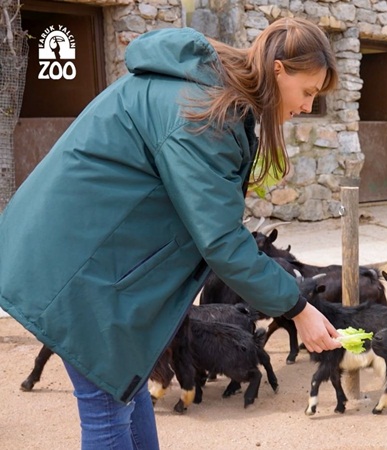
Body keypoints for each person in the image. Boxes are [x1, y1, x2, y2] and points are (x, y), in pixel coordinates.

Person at [0, 17, 342, 449]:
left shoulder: (206, 96)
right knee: (107, 410)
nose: (309, 106)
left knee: (125, 390)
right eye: (308, 91)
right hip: (76, 267)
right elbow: (220, 240)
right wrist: (297, 308)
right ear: (280, 71)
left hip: (89, 257)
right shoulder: (204, 112)